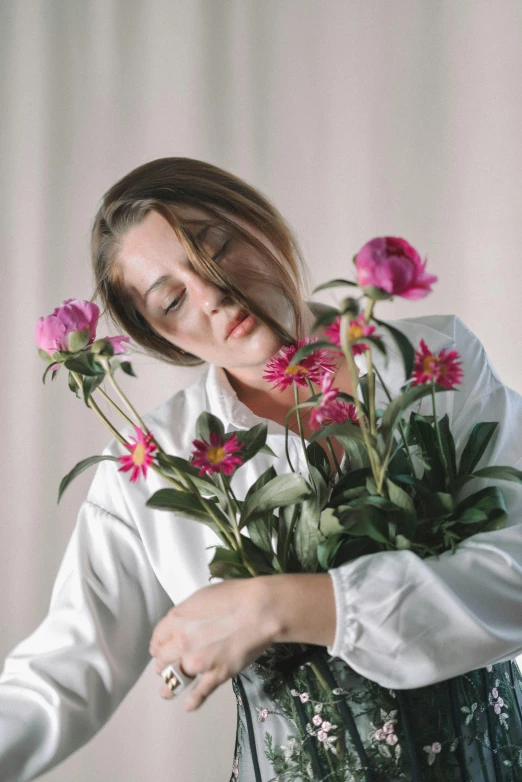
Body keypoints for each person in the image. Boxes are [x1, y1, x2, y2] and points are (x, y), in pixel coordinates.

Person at [1, 158, 522, 781]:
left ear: (255, 220)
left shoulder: (433, 361)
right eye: (171, 299)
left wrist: (279, 605)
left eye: (214, 246)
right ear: (155, 332)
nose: (211, 294)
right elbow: (61, 675)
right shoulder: (150, 466)